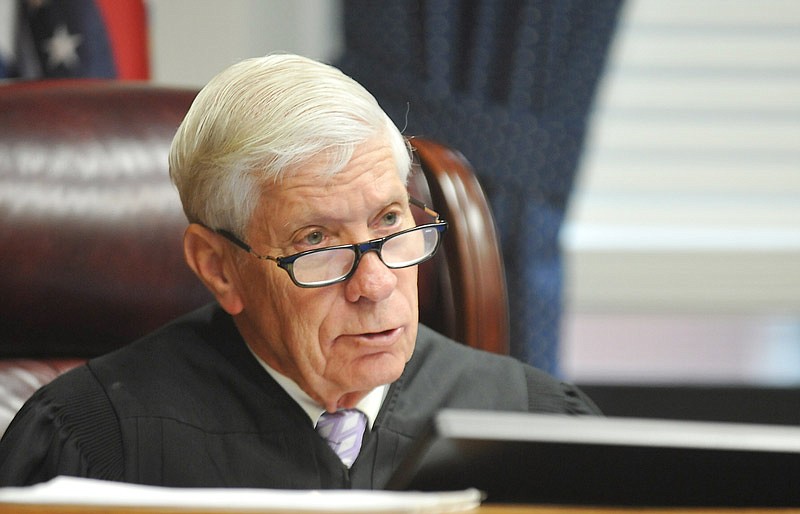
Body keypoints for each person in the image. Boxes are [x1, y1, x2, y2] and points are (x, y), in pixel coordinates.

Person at [0, 54, 598, 489]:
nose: (376, 283)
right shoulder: (95, 440)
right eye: (316, 241)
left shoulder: (533, 425)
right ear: (219, 269)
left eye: (390, 222)